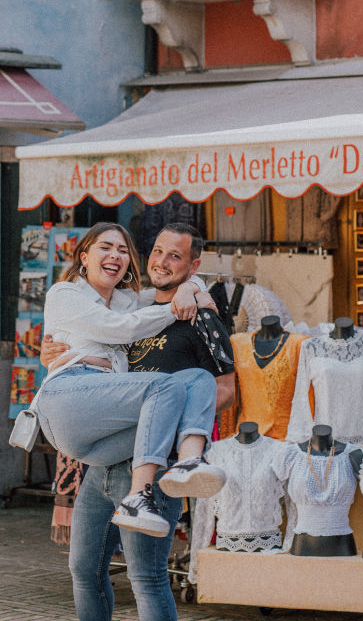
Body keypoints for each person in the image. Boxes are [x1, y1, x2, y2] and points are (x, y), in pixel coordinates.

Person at [44, 222, 235, 621]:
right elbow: (102, 340)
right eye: (156, 252)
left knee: (148, 578)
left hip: (155, 469)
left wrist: (197, 295)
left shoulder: (203, 317)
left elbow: (226, 391)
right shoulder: (132, 307)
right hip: (109, 458)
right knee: (85, 569)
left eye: (178, 257)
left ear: (194, 265)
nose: (162, 261)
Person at [34, 222, 226, 539]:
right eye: (105, 247)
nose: (115, 255)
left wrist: (192, 290)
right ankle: (139, 496)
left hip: (103, 434)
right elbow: (120, 329)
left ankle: (189, 462)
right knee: (167, 385)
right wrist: (177, 309)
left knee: (198, 379)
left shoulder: (125, 299)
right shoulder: (64, 293)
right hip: (68, 399)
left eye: (123, 250)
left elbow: (177, 286)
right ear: (84, 256)